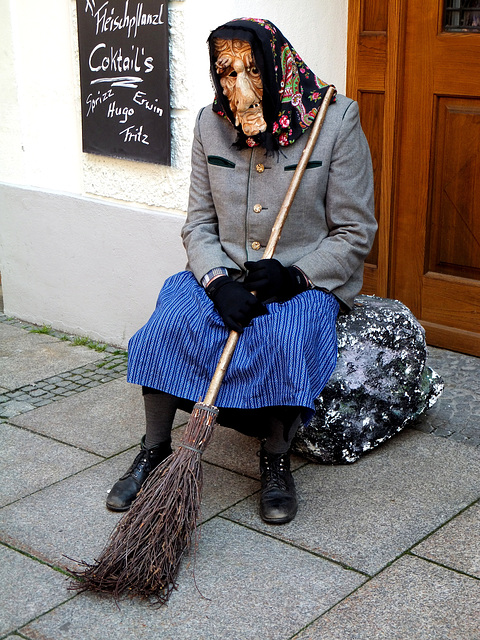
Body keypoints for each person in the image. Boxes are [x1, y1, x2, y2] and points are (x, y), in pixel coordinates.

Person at [106, 18, 377, 524]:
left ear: (278, 66)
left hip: (301, 276)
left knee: (283, 336)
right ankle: (156, 447)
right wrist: (214, 280)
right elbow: (199, 223)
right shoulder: (210, 122)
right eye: (227, 73)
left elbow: (355, 231)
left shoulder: (334, 121)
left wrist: (295, 277)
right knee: (169, 323)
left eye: (252, 70)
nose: (240, 89)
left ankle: (275, 458)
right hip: (222, 270)